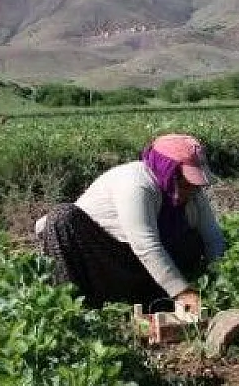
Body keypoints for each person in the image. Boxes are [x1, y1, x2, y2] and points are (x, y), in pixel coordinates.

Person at [35, 134, 224, 316]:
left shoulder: (193, 193)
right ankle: (74, 310)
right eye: (185, 182)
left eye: (195, 183)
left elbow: (212, 237)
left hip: (139, 266)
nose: (192, 189)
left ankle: (155, 299)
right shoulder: (135, 184)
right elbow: (146, 246)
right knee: (62, 218)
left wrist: (220, 281)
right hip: (104, 258)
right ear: (167, 171)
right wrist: (182, 292)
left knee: (192, 240)